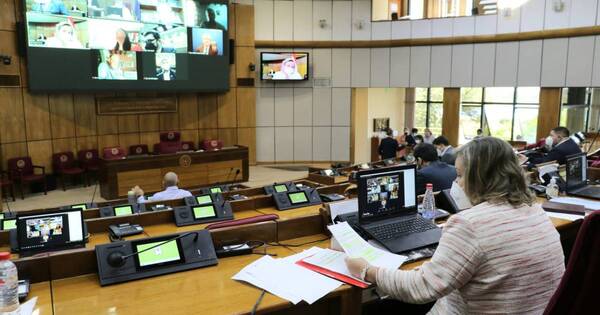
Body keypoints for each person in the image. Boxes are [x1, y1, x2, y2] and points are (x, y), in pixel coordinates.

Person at [346, 137, 565, 314]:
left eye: (460, 175)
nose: (457, 183)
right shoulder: (535, 210)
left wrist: (367, 270)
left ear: (480, 177)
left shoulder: (470, 224)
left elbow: (421, 287)